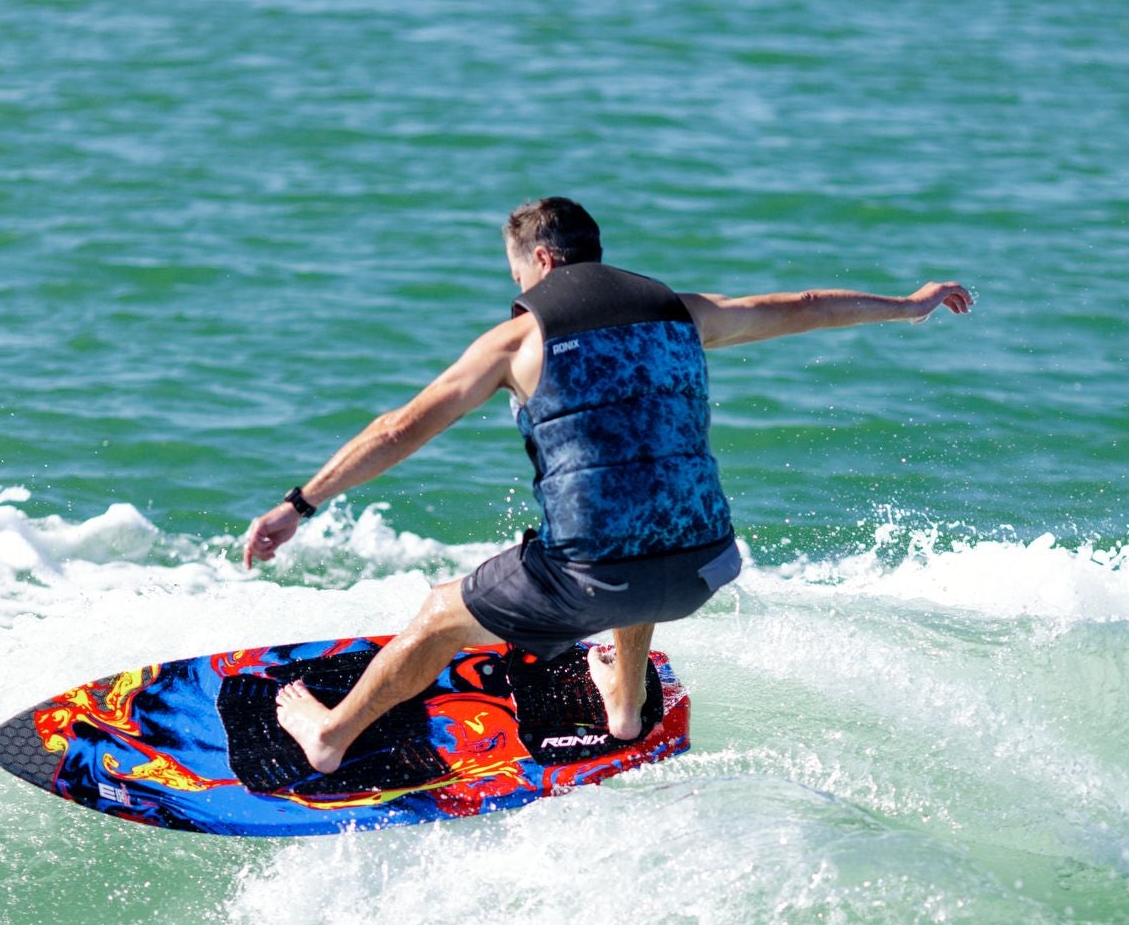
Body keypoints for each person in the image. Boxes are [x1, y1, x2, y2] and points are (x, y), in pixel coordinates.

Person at [243, 197, 973, 773]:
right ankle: (624, 705)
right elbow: (809, 305)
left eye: (517, 275)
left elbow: (399, 429)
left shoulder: (517, 340)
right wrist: (909, 306)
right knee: (644, 501)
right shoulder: (681, 311)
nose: (517, 290)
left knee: (441, 612)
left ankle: (331, 736)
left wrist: (299, 502)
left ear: (539, 258)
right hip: (704, 567)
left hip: (597, 580)